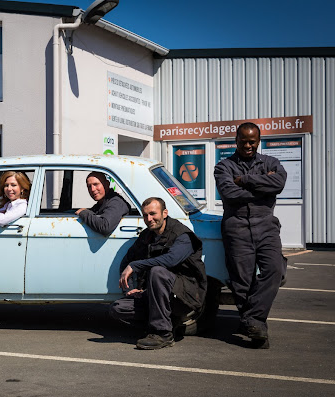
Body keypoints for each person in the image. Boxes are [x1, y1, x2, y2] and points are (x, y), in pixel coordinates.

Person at [214, 122, 287, 349]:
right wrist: (263, 190)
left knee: (275, 269)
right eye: (243, 141)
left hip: (266, 226)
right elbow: (228, 192)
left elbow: (279, 183)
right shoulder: (223, 166)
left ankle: (252, 320)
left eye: (252, 142)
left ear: (259, 141)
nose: (248, 146)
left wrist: (246, 180)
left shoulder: (271, 163)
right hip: (236, 228)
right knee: (242, 282)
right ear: (236, 140)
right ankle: (257, 329)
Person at [108, 197, 207, 350]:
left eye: (153, 214)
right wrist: (130, 289)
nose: (149, 219)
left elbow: (171, 260)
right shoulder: (147, 236)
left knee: (157, 272)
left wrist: (135, 265)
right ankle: (165, 322)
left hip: (184, 297)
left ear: (165, 213)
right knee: (118, 308)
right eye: (145, 215)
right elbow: (127, 261)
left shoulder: (182, 235)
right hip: (156, 296)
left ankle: (163, 333)